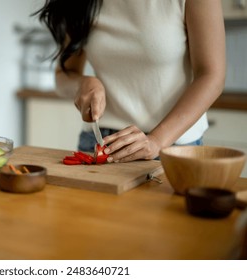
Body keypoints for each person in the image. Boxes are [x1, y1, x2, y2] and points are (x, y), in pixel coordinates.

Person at [34, 0, 226, 163]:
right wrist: (82, 83)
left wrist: (156, 141)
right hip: (100, 142)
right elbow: (63, 75)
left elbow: (212, 75)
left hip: (174, 147)